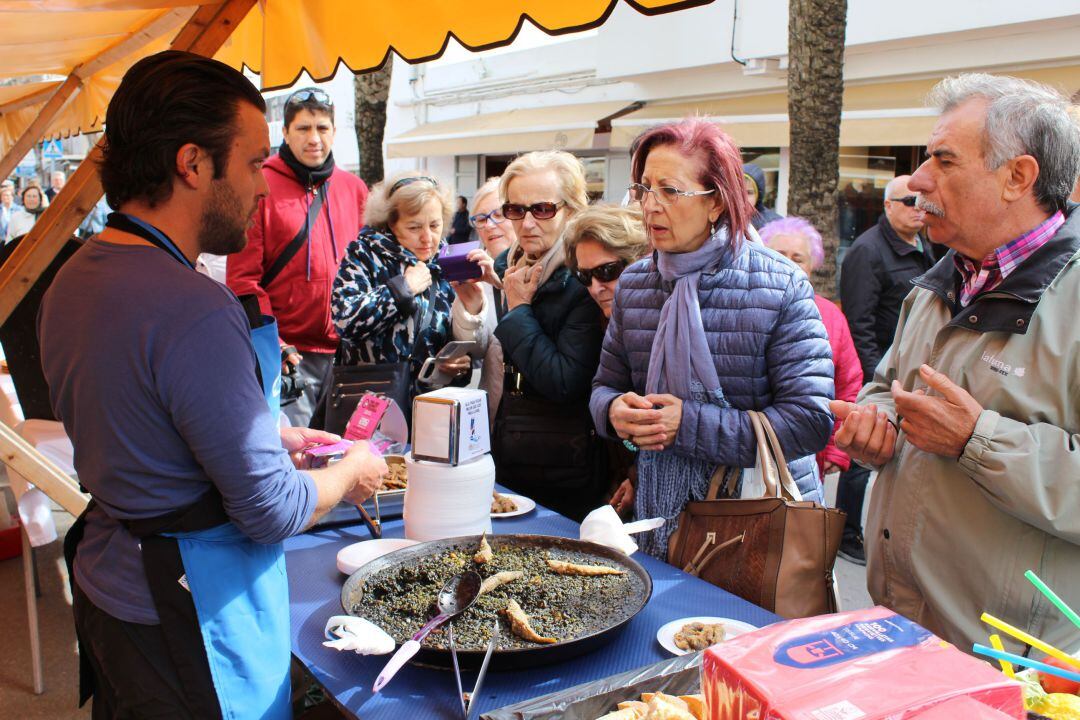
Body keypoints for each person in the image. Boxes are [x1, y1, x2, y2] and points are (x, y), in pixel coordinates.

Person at [37, 51, 387, 719]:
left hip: (110, 589)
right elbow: (274, 510)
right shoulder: (195, 307)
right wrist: (353, 468)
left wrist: (270, 437)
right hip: (187, 612)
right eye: (254, 162)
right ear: (192, 163)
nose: (264, 186)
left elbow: (138, 416)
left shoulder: (75, 278)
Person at [832, 74, 1080, 651]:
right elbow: (888, 384)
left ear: (1019, 177)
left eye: (943, 161)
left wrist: (978, 440)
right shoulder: (939, 283)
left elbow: (969, 435)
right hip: (902, 625)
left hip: (1017, 665)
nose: (918, 181)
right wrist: (878, 423)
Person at [591, 119, 834, 558]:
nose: (650, 207)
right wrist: (614, 412)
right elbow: (605, 386)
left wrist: (686, 425)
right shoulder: (636, 284)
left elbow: (810, 421)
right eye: (644, 189)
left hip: (756, 525)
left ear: (717, 203)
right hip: (659, 517)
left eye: (671, 191)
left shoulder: (780, 285)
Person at [227, 86, 369, 427]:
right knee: (298, 459)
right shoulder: (259, 186)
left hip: (348, 355)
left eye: (322, 128)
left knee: (345, 455)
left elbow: (369, 268)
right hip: (290, 357)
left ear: (334, 132)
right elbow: (242, 281)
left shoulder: (354, 189)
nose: (314, 138)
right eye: (303, 128)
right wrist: (272, 343)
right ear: (286, 132)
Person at [485, 150, 606, 521]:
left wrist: (519, 310)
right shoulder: (509, 266)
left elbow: (566, 381)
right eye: (516, 210)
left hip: (565, 464)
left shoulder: (583, 277)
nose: (527, 222)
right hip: (510, 447)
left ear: (571, 210)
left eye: (542, 209)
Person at [331, 172, 494, 406]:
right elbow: (344, 320)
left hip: (433, 404)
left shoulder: (448, 261)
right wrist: (401, 290)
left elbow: (458, 340)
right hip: (370, 404)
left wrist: (458, 366)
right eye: (414, 227)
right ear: (391, 223)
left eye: (435, 225)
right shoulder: (363, 253)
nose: (427, 237)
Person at [836, 174, 934, 562]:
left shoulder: (926, 246)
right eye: (908, 201)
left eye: (920, 201)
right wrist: (874, 374)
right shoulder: (868, 250)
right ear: (888, 206)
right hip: (878, 369)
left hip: (907, 374)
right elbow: (859, 319)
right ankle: (845, 532)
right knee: (862, 455)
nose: (917, 208)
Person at [759, 217, 863, 528]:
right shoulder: (741, 308)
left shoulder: (830, 316)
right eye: (777, 253)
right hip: (752, 450)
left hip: (807, 456)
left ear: (812, 266)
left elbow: (849, 383)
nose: (786, 263)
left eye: (797, 258)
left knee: (798, 538)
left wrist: (837, 448)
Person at [563, 204, 650, 516]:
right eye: (584, 276)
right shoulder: (598, 321)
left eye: (607, 272)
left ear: (639, 260)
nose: (596, 287)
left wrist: (637, 478)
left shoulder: (665, 314)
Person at [470, 177, 515, 260]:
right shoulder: (474, 269)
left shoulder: (541, 267)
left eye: (498, 215)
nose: (489, 225)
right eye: (481, 219)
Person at [743, 163, 782, 230]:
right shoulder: (723, 220)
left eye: (749, 193)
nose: (744, 198)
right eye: (739, 192)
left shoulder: (773, 224)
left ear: (758, 195)